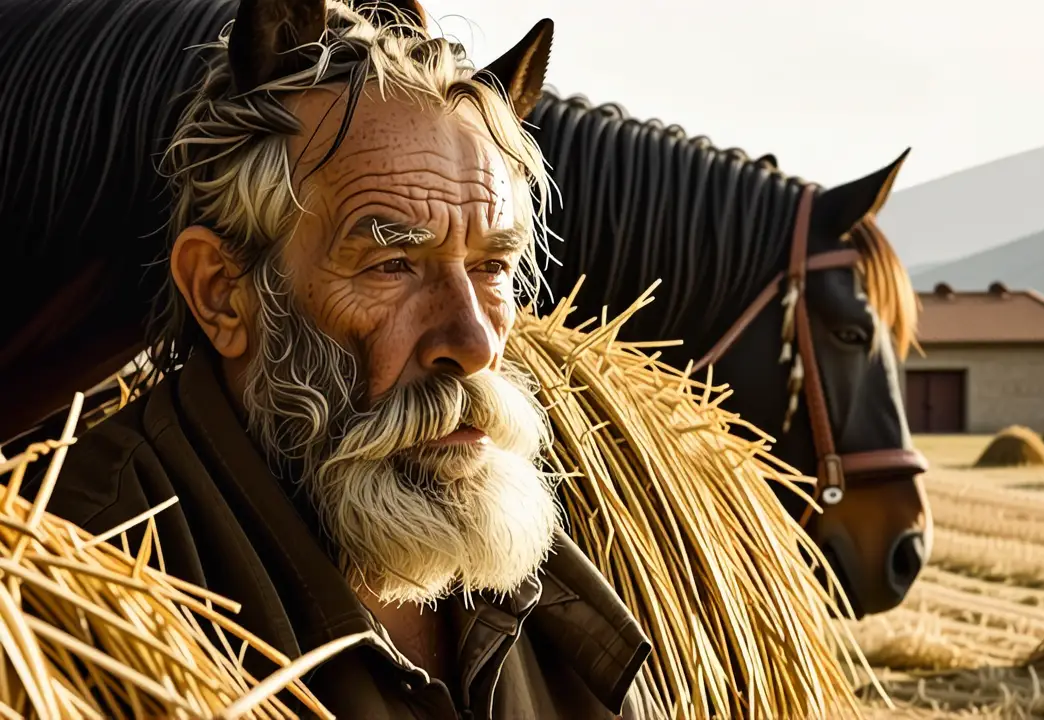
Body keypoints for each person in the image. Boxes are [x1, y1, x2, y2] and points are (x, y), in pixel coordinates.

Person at [25, 1, 651, 717]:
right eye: (392, 264)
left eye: (491, 267)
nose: (474, 343)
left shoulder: (563, 612)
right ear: (223, 294)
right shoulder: (81, 585)